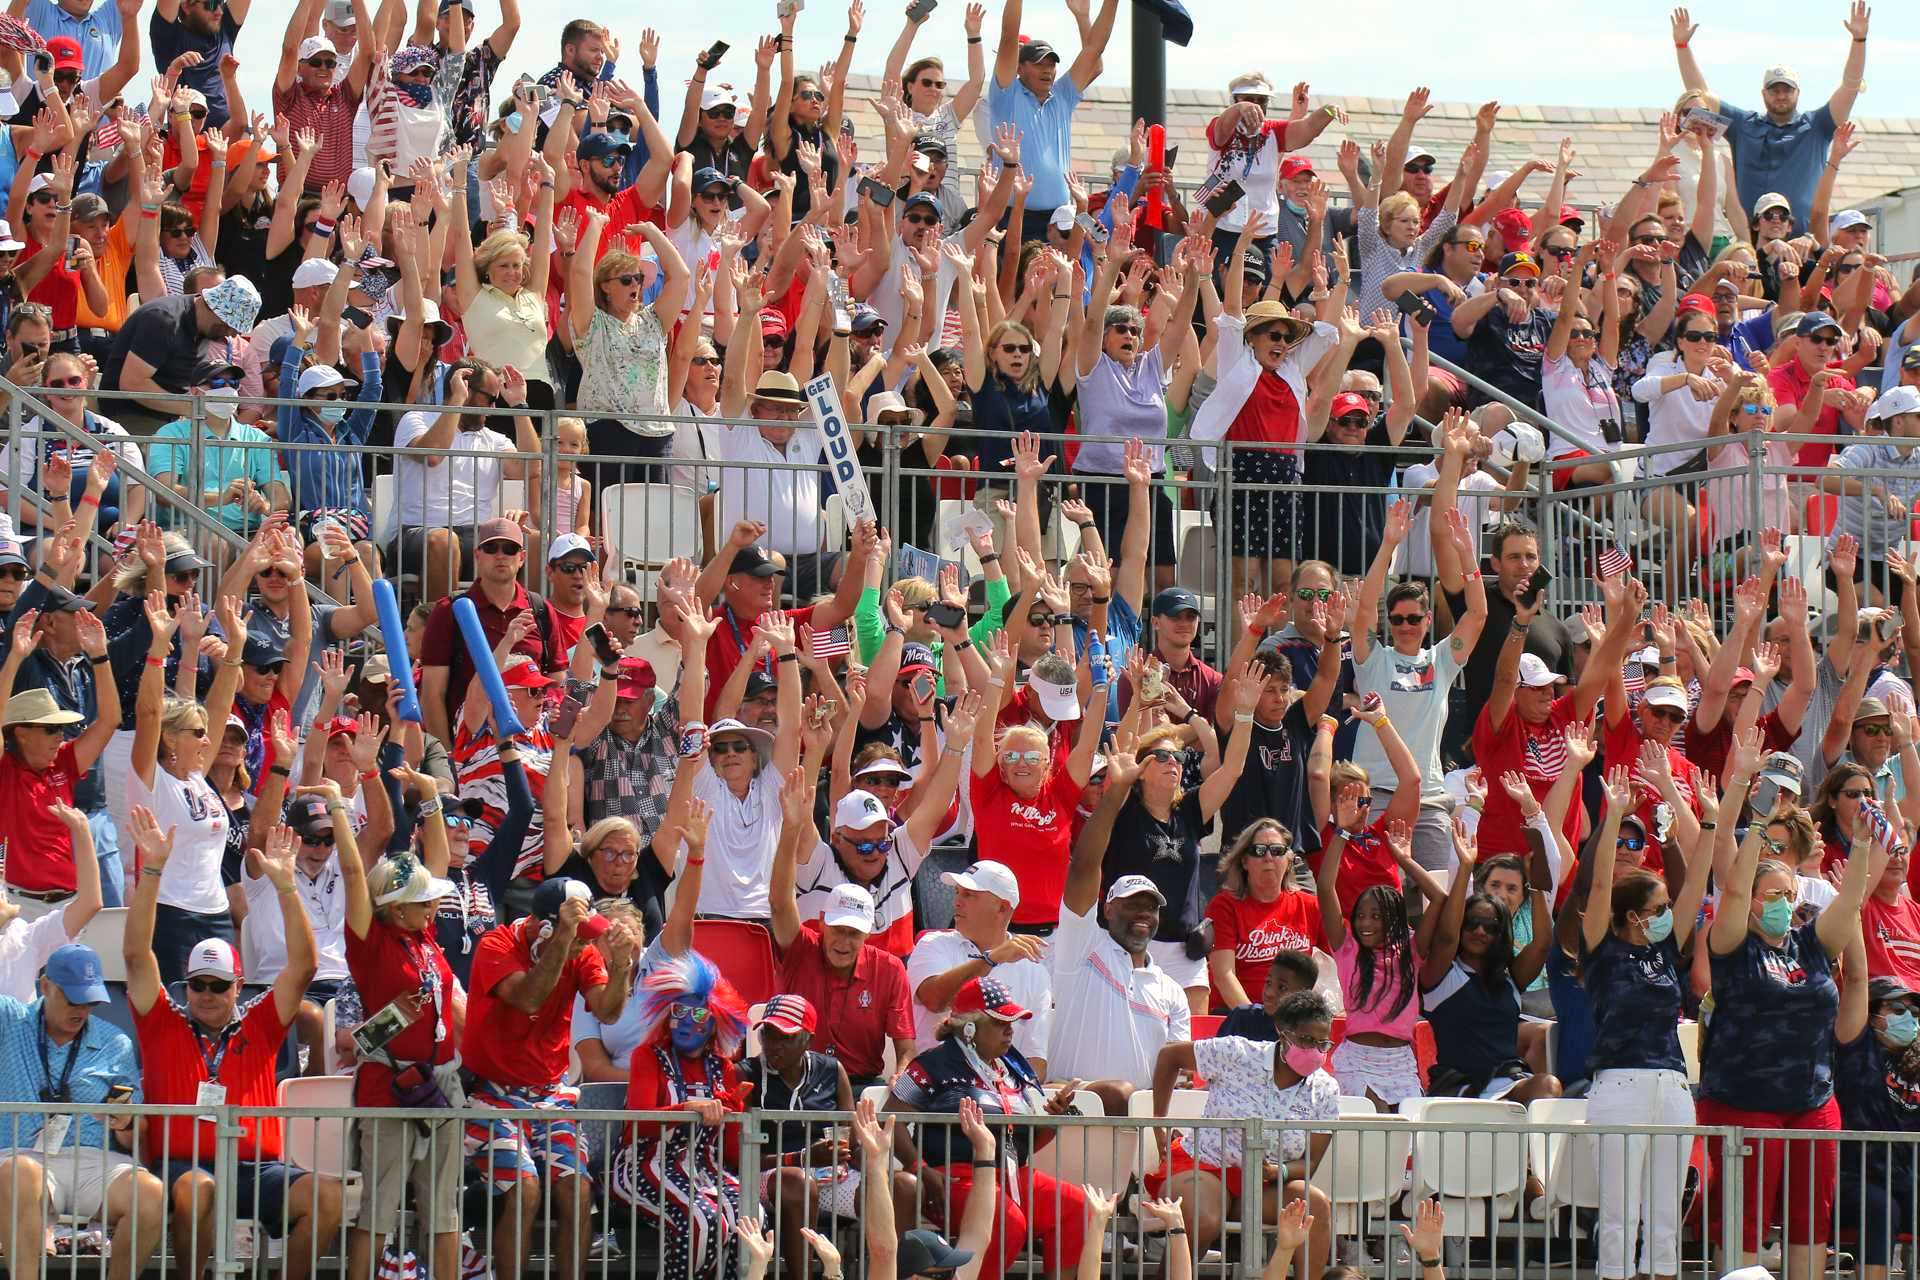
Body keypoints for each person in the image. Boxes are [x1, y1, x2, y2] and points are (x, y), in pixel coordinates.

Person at [122, 811, 344, 1280]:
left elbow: (303, 968)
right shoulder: (163, 1023)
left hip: (255, 1169)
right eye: (197, 984)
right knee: (199, 1188)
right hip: (182, 1167)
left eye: (217, 986)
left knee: (328, 1195)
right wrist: (152, 872)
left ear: (237, 986)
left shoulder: (259, 1024)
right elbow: (136, 956)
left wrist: (286, 886)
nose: (204, 994)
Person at [1699, 763, 1884, 1278]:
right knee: (1745, 1225)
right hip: (1744, 1100)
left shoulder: (1810, 943)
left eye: (1789, 895)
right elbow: (1732, 891)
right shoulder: (1733, 944)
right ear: (1753, 903)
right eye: (1772, 896)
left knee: (1811, 1227)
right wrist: (1753, 814)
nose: (1784, 904)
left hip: (1812, 1103)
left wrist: (1864, 846)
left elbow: (1849, 904)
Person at [1581, 749, 1719, 1280]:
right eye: (1659, 909)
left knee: (1665, 1218)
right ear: (1634, 915)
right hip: (1619, 1083)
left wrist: (1707, 818)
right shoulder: (1601, 950)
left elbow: (1698, 886)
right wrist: (1613, 814)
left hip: (1672, 1085)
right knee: (1618, 1216)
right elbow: (1597, 887)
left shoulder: (1664, 951)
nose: (1670, 914)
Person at [461, 876, 637, 1280]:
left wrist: (621, 965)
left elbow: (607, 1011)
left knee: (577, 1189)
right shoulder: (497, 945)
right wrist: (562, 941)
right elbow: (528, 998)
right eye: (574, 935)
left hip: (550, 1093)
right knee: (524, 1188)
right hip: (491, 1093)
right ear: (545, 927)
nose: (581, 944)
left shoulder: (581, 952)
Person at [886, 977, 1089, 1280]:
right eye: (1001, 1023)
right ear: (969, 1028)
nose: (1010, 1031)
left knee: (1077, 1207)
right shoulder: (933, 1063)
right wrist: (920, 1167)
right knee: (1006, 1220)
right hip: (952, 1176)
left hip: (1010, 1176)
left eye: (1012, 1023)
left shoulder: (1011, 1071)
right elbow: (889, 1115)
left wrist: (1055, 1119)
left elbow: (1022, 1145)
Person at [1083, 676, 1260, 1013]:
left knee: (1190, 1045)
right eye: (1162, 757)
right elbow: (1123, 751)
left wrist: (1246, 713)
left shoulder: (1192, 809)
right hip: (1126, 945)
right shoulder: (1122, 807)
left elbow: (1233, 768)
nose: (1173, 763)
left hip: (1184, 950)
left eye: (1178, 757)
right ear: (1142, 766)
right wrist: (1138, 699)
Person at [0, 942, 165, 1280]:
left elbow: (135, 1129)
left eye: (89, 1000)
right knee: (22, 1172)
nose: (81, 1009)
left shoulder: (114, 1041)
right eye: (72, 998)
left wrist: (127, 1123)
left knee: (150, 1193)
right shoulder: (9, 1020)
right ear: (45, 986)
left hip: (93, 1159)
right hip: (19, 1154)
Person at [1148, 991, 1339, 1280]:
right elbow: (1169, 1056)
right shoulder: (1237, 1053)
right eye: (1306, 1040)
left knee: (1316, 1206)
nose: (1314, 1050)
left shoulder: (1326, 1089)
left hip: (1262, 1185)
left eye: (1322, 1043)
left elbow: (1309, 1163)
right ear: (1282, 1032)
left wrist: (1280, 1171)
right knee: (1204, 1217)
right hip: (1204, 1167)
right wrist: (1159, 1123)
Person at [607, 948, 753, 1280]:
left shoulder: (724, 1069)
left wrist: (735, 1109)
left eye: (699, 1015)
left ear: (716, 1023)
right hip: (643, 1163)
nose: (687, 1021)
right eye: (679, 1011)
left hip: (704, 1170)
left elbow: (730, 1153)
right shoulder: (648, 1056)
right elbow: (642, 1122)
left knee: (749, 1215)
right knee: (702, 1221)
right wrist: (690, 1109)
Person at [771, 768, 917, 1088]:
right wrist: (791, 830)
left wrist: (902, 1073)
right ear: (822, 923)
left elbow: (906, 1049)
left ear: (867, 934)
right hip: (800, 1083)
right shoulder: (802, 949)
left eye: (853, 933)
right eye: (837, 929)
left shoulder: (890, 970)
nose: (843, 941)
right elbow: (780, 903)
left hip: (863, 1086)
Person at [1671, 2, 1869, 226]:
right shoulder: (1744, 125)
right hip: (1750, 243)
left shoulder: (1818, 126)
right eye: (1775, 90)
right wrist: (1682, 46)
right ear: (1764, 93)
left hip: (1802, 245)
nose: (1781, 96)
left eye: (1787, 90)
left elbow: (1850, 86)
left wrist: (1859, 41)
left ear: (1798, 93)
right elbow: (1701, 96)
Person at [129, 589, 239, 982]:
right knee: (178, 1011)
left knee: (223, 1012)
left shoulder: (196, 775)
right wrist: (159, 650)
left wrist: (234, 650)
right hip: (170, 913)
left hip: (216, 913)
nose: (209, 741)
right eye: (198, 733)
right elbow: (148, 712)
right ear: (171, 738)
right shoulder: (151, 778)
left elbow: (221, 709)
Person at [1315, 797, 1451, 1109]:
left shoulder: (1410, 950)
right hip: (1357, 1061)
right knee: (1373, 1125)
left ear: (1394, 919)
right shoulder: (1346, 947)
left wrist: (1402, 859)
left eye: (1376, 916)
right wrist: (1342, 833)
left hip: (1401, 1063)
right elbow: (1325, 887)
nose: (1365, 923)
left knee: (1408, 1139)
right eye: (1361, 915)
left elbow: (1439, 897)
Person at [1418, 811, 1560, 1103]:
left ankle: (1528, 1150)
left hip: (1506, 1082)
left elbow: (1543, 945)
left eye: (1491, 927)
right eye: (1472, 924)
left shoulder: (1509, 979)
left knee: (1549, 1085)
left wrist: (1535, 888)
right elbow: (1445, 937)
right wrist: (1466, 867)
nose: (1480, 931)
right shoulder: (1442, 974)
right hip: (1459, 1088)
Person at [968, 631, 1103, 932]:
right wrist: (996, 680)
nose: (1021, 764)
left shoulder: (1061, 795)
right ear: (1000, 765)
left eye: (1032, 758)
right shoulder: (988, 793)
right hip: (998, 932)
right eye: (1012, 757)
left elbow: (1089, 745)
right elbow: (980, 740)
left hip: (1053, 935)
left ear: (1047, 765)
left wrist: (1101, 687)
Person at [0, 601, 120, 912]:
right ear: (21, 733)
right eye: (51, 730)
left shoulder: (63, 761)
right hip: (16, 907)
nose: (60, 736)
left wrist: (100, 656)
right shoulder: (6, 770)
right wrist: (15, 658)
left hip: (68, 905)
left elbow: (109, 721)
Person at [738, 994, 859, 1275]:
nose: (773, 1045)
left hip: (828, 1175)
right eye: (768, 1033)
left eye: (786, 1037)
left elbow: (851, 1133)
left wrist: (856, 1153)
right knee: (797, 1181)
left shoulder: (831, 1070)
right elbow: (742, 1156)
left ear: (808, 1039)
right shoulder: (746, 1073)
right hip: (768, 1178)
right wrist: (803, 1157)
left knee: (901, 1186)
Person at [907, 860, 1051, 1073]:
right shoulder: (933, 944)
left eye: (969, 895)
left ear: (1002, 907)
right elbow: (935, 1000)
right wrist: (991, 959)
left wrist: (1014, 1096)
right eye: (957, 892)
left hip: (1000, 1094)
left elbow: (1036, 1061)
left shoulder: (1035, 970)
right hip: (936, 1089)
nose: (956, 901)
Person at [1834, 961, 1920, 1280]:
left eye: (1914, 1013)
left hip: (1905, 1177)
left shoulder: (1917, 1061)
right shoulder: (1856, 1052)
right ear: (1871, 1015)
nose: (1909, 1018)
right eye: (1897, 1008)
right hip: (1855, 1176)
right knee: (1881, 1208)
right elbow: (1853, 981)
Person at [1205, 821, 1324, 1013]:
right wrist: (1255, 1019)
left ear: (1288, 860)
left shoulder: (1310, 906)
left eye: (1277, 850)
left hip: (1293, 1019)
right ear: (1244, 861)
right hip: (1236, 1015)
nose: (1268, 857)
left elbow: (1344, 955)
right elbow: (1223, 975)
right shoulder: (1224, 906)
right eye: (1259, 850)